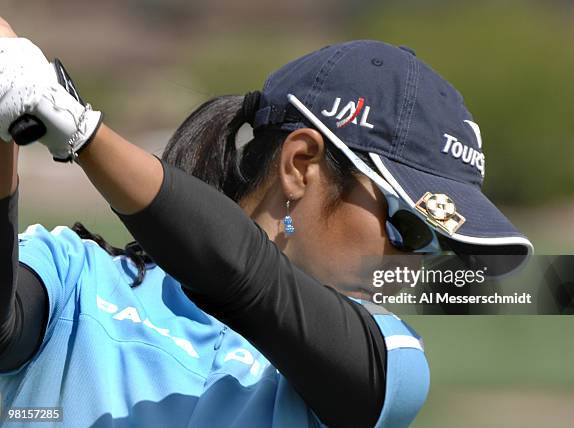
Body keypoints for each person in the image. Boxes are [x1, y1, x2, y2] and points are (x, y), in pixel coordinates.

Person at [0, 18, 532, 428]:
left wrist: (78, 130)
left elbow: (248, 277)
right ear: (300, 166)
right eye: (409, 230)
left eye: (438, 246)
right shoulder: (71, 278)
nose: (416, 266)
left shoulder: (390, 365)